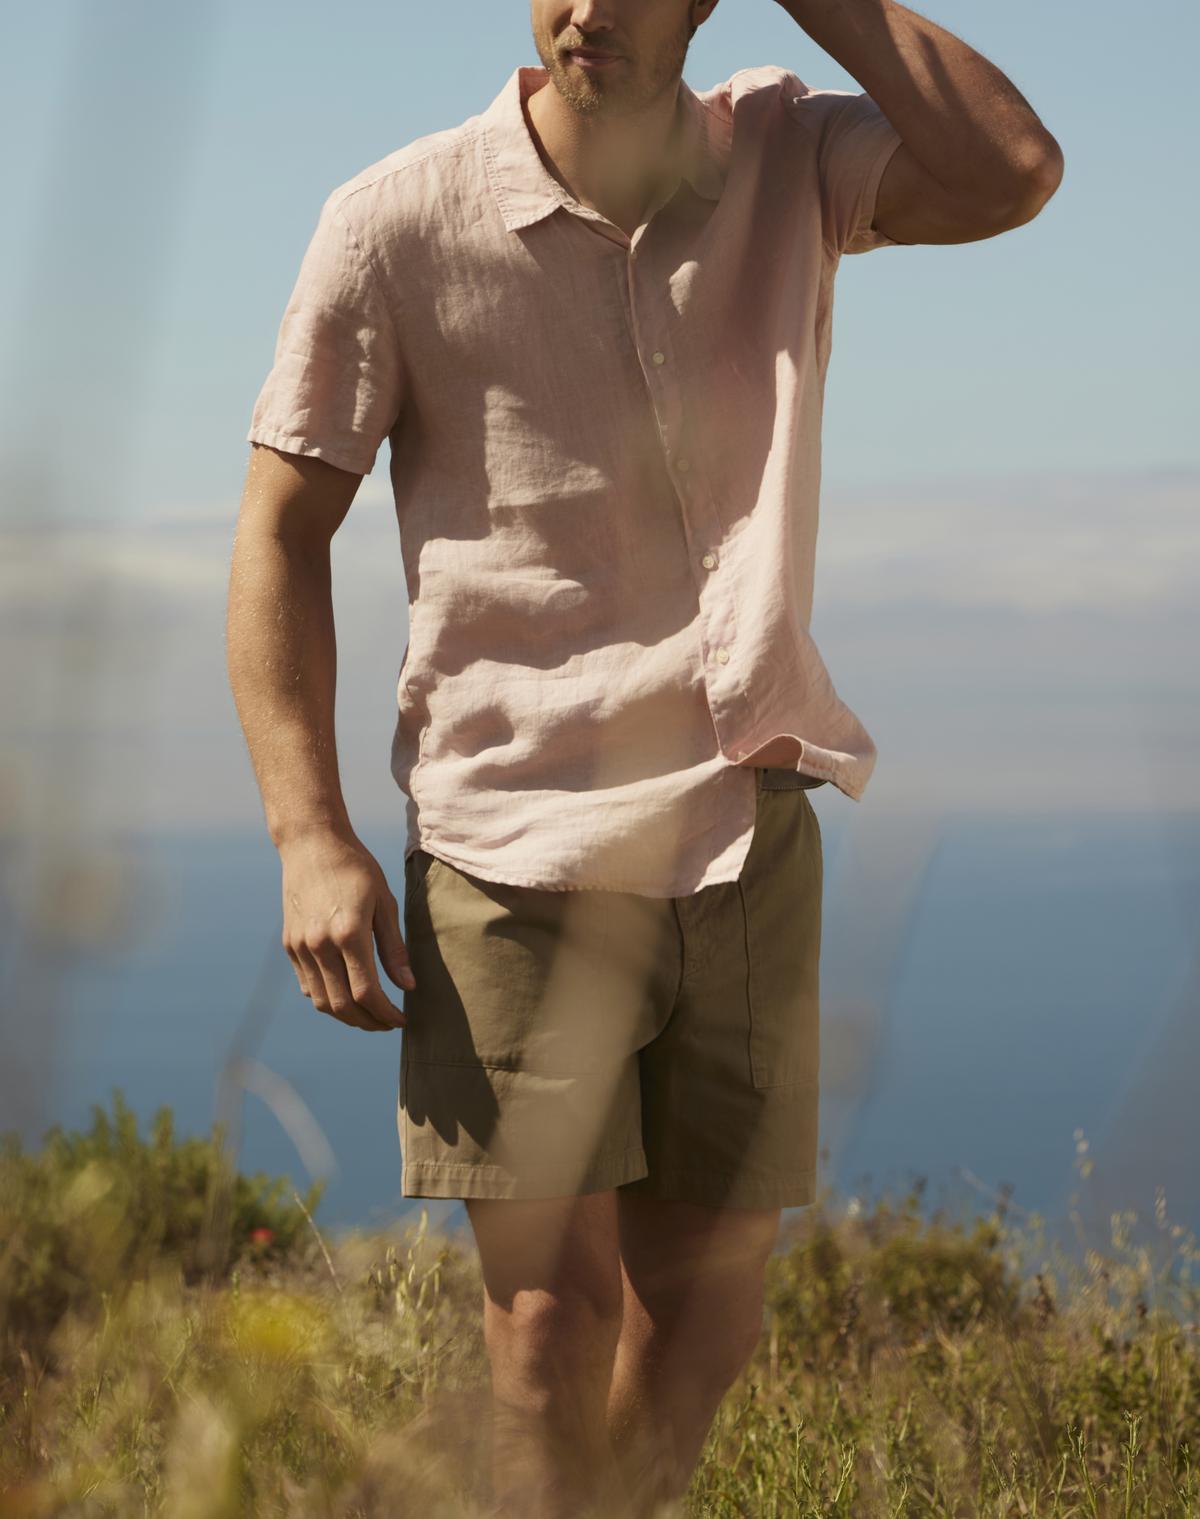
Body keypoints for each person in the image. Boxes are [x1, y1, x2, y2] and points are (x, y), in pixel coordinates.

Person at [227, 1, 1061, 1513]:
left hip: (744, 823)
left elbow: (1009, 168)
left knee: (708, 1317)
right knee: (549, 1325)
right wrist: (308, 831)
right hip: (509, 848)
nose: (587, 8)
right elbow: (280, 534)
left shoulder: (792, 159)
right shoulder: (394, 220)